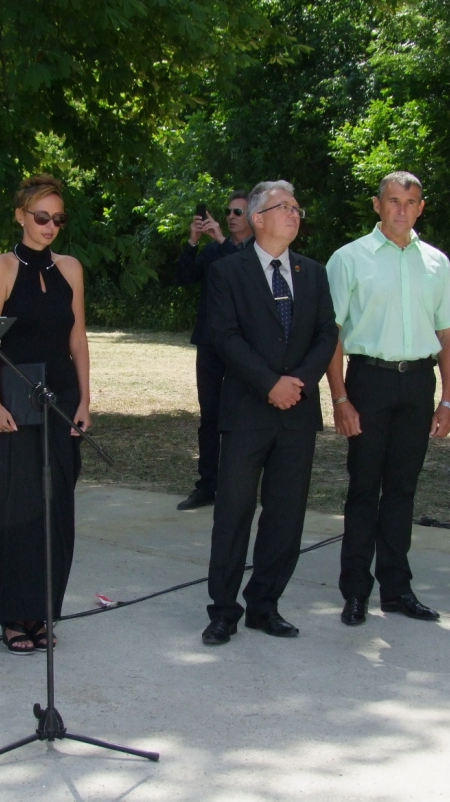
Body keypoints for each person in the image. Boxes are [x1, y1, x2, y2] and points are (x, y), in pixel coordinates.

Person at [326, 171, 450, 627]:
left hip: (418, 384)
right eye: (392, 201)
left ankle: (396, 590)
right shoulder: (349, 259)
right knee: (364, 488)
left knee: (403, 490)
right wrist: (341, 398)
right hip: (368, 381)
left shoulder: (436, 263)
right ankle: (355, 592)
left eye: (410, 202)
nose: (401, 210)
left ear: (421, 208)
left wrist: (448, 400)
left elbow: (449, 333)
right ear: (377, 204)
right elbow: (331, 333)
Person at [201, 180, 338, 645]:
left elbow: (327, 334)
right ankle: (224, 610)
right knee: (233, 513)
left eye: (297, 208)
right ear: (258, 219)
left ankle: (265, 605)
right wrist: (269, 384)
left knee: (285, 515)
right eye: (285, 207)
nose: (295, 214)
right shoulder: (228, 271)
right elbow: (225, 337)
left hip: (297, 412)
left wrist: (297, 383)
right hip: (246, 411)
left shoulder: (313, 273)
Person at [0, 174, 92, 654]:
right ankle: (13, 615)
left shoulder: (71, 268)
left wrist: (84, 401)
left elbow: (77, 339)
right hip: (14, 402)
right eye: (41, 216)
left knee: (53, 508)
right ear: (21, 216)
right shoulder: (1, 266)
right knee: (12, 508)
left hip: (59, 398)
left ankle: (41, 610)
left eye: (58, 218)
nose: (50, 226)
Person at [174, 191, 253, 511]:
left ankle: (237, 487)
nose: (231, 216)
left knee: (241, 418)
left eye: (238, 212)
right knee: (209, 416)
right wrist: (193, 242)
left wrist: (221, 239)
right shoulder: (211, 251)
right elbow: (182, 278)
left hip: (244, 346)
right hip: (209, 343)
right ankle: (207, 485)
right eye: (228, 211)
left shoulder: (258, 252)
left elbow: (245, 276)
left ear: (253, 217)